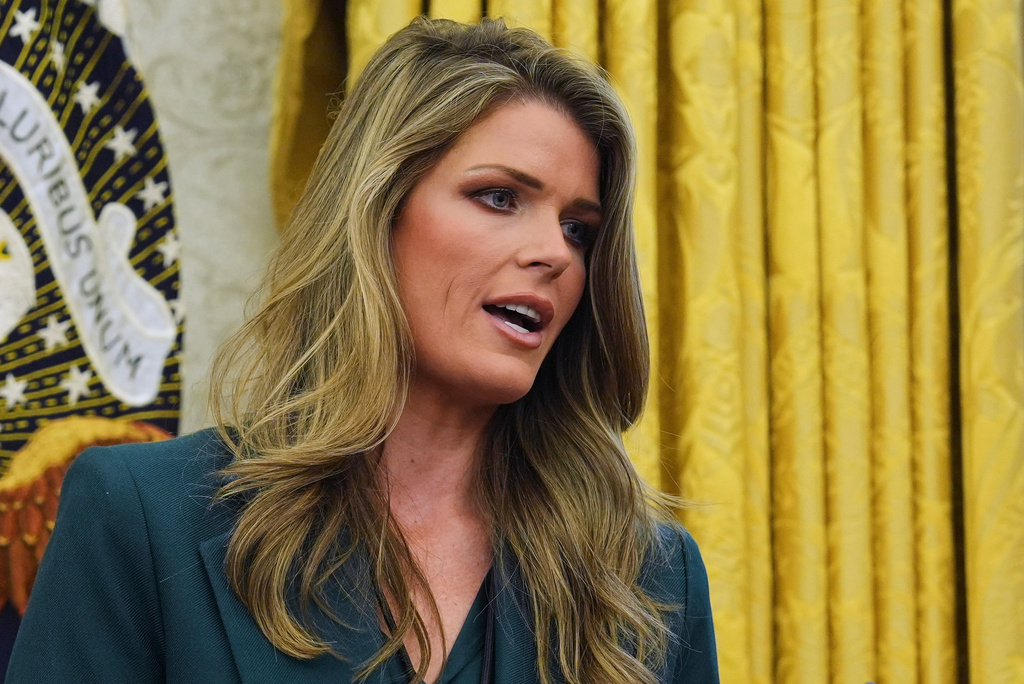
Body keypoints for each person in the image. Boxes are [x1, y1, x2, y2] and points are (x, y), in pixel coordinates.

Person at [6, 16, 718, 684]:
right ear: (376, 213)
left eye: (577, 229)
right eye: (500, 197)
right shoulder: (140, 514)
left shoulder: (653, 578)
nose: (554, 254)